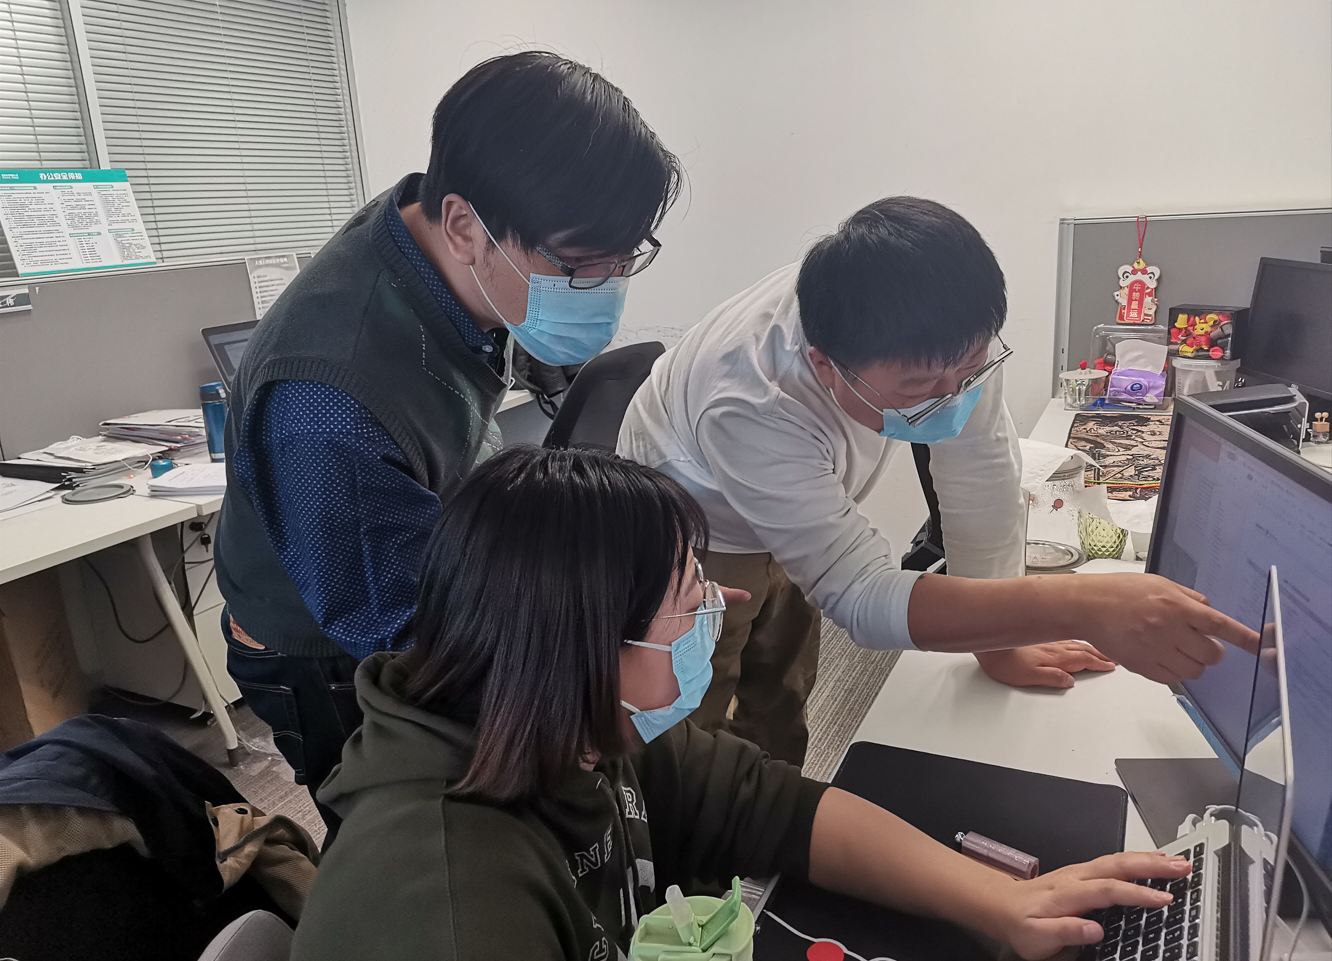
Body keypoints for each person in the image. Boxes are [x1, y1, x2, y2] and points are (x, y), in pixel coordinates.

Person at [292, 445, 1197, 961]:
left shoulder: (579, 723)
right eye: (690, 594)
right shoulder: (446, 905)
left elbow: (776, 809)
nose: (723, 606)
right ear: (591, 646)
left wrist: (1001, 901)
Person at [212, 51, 680, 832]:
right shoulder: (328, 406)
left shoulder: (431, 237)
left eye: (625, 259)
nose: (608, 286)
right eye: (580, 266)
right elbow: (408, 629)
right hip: (326, 655)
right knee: (406, 830)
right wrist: (584, 671)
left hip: (410, 557)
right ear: (465, 226)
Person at [617, 197, 1255, 766]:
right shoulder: (750, 400)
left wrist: (999, 642)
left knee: (783, 679)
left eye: (969, 371)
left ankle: (773, 806)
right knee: (694, 700)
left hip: (793, 479)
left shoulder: (944, 337)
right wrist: (1085, 604)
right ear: (824, 365)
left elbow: (981, 476)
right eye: (919, 388)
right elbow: (860, 596)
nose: (954, 396)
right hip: (695, 511)